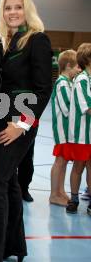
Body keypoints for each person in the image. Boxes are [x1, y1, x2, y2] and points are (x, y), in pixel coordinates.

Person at [0, 0, 53, 262]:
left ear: (27, 10)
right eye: (8, 8)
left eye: (18, 7)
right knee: (9, 185)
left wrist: (21, 125)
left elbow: (43, 90)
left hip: (19, 125)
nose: (12, 12)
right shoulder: (5, 41)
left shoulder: (38, 40)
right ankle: (15, 248)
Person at [49, 50, 81, 206]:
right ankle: (53, 194)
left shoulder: (69, 82)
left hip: (69, 131)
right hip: (62, 130)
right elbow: (67, 108)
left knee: (64, 161)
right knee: (60, 161)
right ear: (68, 66)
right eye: (77, 67)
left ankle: (60, 191)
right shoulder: (62, 83)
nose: (79, 70)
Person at [64, 43, 91, 215]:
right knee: (78, 167)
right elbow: (87, 108)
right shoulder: (82, 79)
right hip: (82, 135)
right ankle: (74, 198)